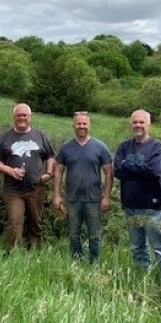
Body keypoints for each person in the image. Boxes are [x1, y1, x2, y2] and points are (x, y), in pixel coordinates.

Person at [114, 109, 161, 282]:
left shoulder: (156, 147)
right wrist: (139, 168)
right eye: (135, 122)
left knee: (159, 247)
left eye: (141, 122)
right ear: (131, 124)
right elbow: (118, 170)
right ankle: (142, 280)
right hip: (130, 205)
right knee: (137, 247)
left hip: (151, 206)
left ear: (149, 124)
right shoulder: (124, 146)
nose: (138, 125)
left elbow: (154, 171)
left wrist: (128, 165)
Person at [0, 103, 55, 252]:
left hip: (36, 188)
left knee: (36, 223)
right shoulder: (5, 137)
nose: (22, 118)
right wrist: (10, 170)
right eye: (19, 115)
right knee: (14, 223)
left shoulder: (39, 136)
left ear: (30, 117)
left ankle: (35, 253)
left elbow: (50, 157)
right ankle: (11, 254)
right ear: (14, 117)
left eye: (24, 115)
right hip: (13, 191)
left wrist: (49, 174)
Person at [52, 111, 113, 264]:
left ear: (89, 125)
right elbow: (58, 171)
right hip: (72, 199)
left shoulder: (100, 147)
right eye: (79, 124)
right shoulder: (66, 147)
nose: (82, 126)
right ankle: (77, 262)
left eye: (85, 124)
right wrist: (57, 195)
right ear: (73, 125)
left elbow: (108, 172)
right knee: (73, 234)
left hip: (93, 199)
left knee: (94, 235)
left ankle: (94, 263)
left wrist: (106, 197)